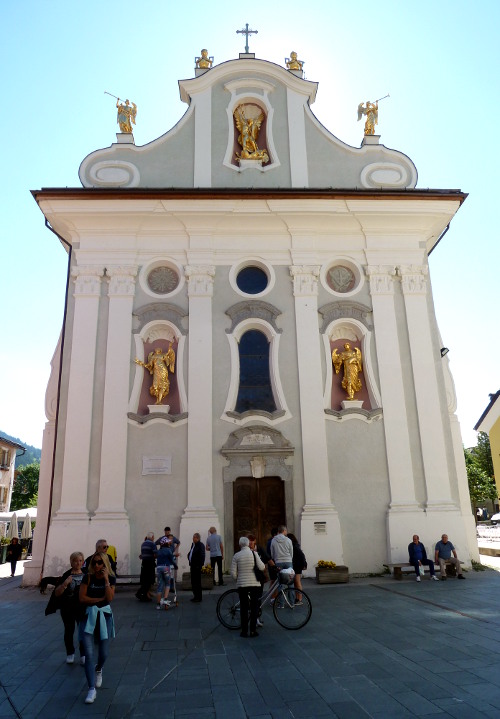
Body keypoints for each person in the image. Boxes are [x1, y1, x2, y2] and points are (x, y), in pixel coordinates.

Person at [79, 552, 116, 704]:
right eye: (94, 563)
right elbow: (82, 598)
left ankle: (99, 668)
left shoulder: (111, 578)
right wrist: (98, 599)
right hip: (88, 616)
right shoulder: (87, 577)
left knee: (104, 653)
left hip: (104, 616)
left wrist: (106, 579)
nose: (96, 566)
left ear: (105, 564)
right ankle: (91, 689)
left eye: (99, 563)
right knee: (88, 653)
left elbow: (110, 598)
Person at [54, 551, 86, 665]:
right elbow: (57, 593)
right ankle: (70, 653)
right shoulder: (67, 575)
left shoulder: (86, 574)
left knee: (82, 631)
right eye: (75, 561)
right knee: (69, 630)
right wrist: (65, 584)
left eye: (80, 560)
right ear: (71, 562)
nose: (78, 563)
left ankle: (83, 654)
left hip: (82, 607)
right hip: (68, 608)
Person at [231, 536, 265, 638]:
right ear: (248, 544)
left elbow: (233, 574)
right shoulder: (254, 554)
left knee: (244, 607)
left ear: (240, 544)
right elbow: (262, 567)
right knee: (254, 607)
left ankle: (244, 631)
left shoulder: (236, 555)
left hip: (242, 585)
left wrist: (238, 579)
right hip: (255, 584)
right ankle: (253, 631)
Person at [248, 534, 269, 628]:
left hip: (259, 577)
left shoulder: (260, 549)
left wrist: (274, 567)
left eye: (252, 540)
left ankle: (257, 618)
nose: (250, 542)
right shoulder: (246, 551)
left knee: (259, 598)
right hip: (250, 577)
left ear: (255, 541)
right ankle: (252, 618)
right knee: (252, 599)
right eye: (249, 541)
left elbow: (267, 558)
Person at [270, 525, 295, 605]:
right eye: (286, 531)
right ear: (284, 531)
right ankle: (292, 602)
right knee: (291, 582)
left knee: (280, 583)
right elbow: (291, 552)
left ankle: (281, 603)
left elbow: (272, 553)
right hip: (288, 561)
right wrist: (289, 559)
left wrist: (275, 559)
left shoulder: (273, 540)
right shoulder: (288, 540)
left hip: (278, 562)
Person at [155, 542, 177, 610]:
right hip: (166, 568)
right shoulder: (168, 550)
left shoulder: (159, 551)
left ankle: (158, 605)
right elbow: (172, 560)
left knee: (159, 586)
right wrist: (175, 566)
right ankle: (165, 599)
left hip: (159, 568)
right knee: (167, 584)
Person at [287, 533, 307, 602]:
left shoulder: (295, 546)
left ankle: (300, 598)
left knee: (297, 582)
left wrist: (304, 564)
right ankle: (297, 597)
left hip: (298, 566)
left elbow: (302, 556)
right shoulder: (294, 546)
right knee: (295, 582)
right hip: (296, 565)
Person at [136, 532, 156, 601]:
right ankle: (141, 594)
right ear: (152, 537)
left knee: (145, 579)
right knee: (149, 579)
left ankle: (144, 594)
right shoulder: (152, 544)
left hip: (144, 563)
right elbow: (155, 554)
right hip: (150, 563)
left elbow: (142, 554)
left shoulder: (143, 544)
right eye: (154, 537)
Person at [187, 533, 205, 602]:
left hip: (197, 566)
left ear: (197, 538)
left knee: (197, 582)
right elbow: (191, 552)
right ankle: (195, 596)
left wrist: (200, 565)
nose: (193, 539)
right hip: (192, 565)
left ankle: (199, 597)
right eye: (193, 537)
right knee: (193, 582)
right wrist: (189, 556)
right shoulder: (193, 545)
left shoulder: (200, 545)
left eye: (194, 537)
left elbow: (202, 555)